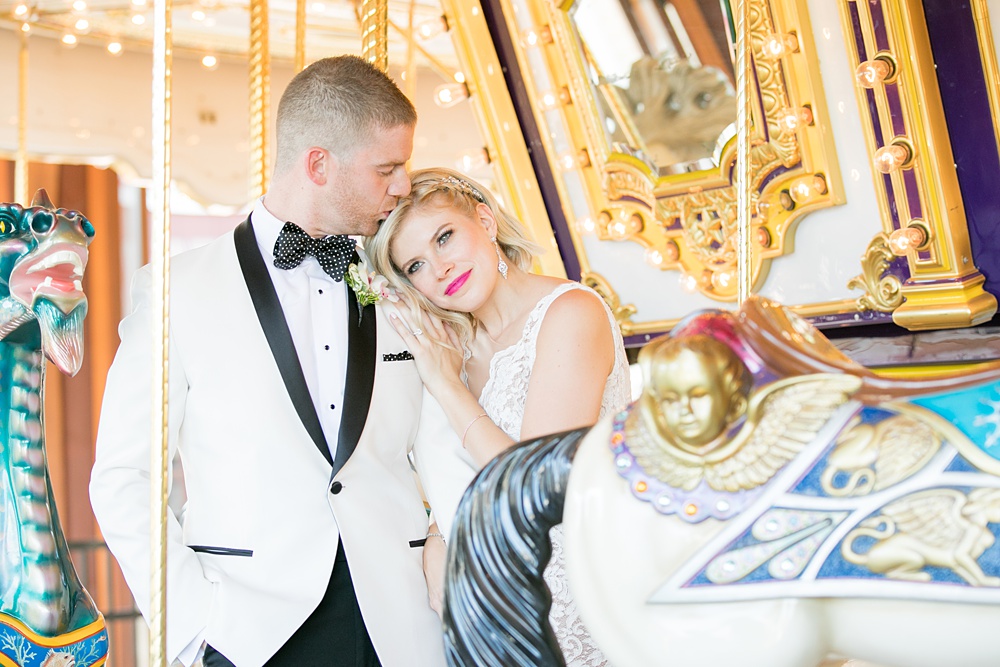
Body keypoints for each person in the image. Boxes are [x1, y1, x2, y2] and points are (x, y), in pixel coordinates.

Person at [89, 56, 446, 667]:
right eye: (386, 168)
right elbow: (124, 478)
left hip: (401, 623)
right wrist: (195, 628)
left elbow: (441, 449)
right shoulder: (179, 291)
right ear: (317, 164)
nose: (403, 186)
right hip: (249, 633)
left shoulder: (405, 283)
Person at [365, 167, 631, 666]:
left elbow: (531, 481)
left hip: (581, 587)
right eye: (417, 265)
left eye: (445, 238)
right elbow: (454, 472)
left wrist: (445, 387)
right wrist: (439, 539)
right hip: (497, 600)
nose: (439, 269)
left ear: (484, 221)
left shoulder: (570, 312)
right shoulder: (455, 348)